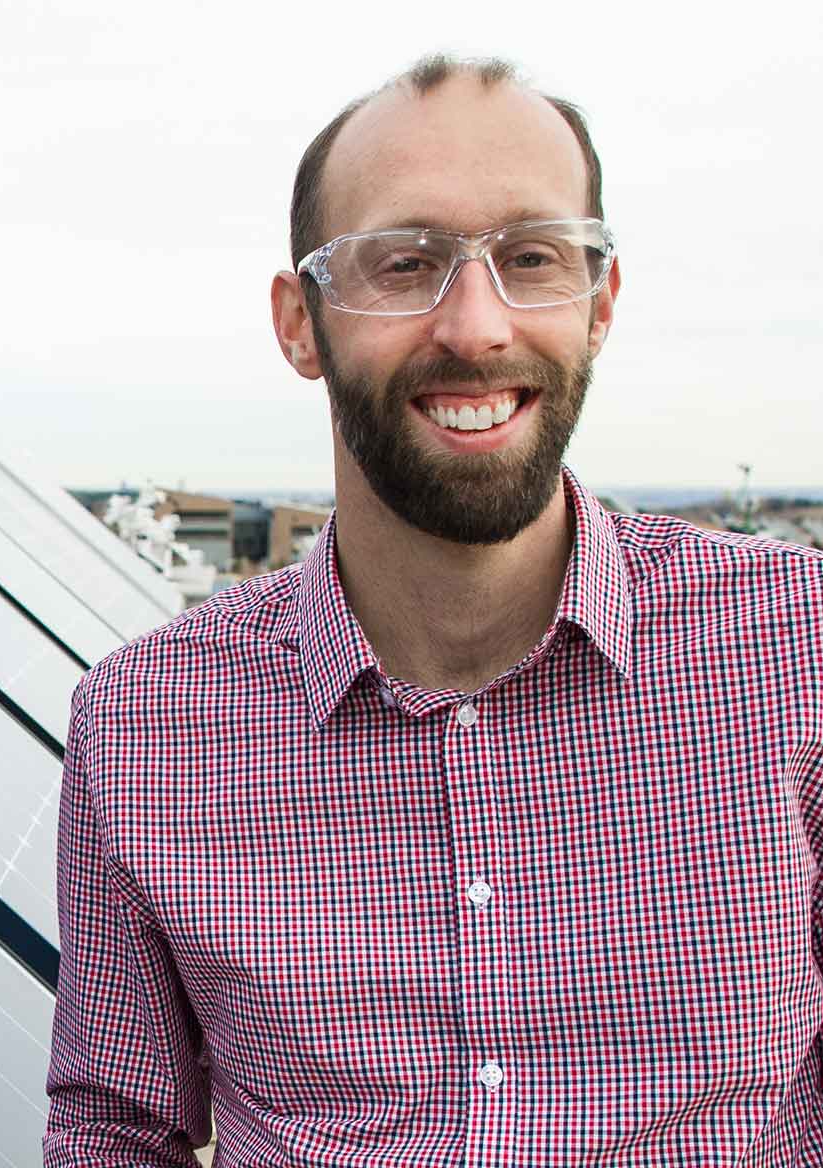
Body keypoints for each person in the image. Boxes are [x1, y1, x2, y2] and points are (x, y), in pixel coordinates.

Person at [43, 53, 823, 1166]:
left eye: (532, 258)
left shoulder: (802, 649)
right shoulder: (142, 727)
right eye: (404, 264)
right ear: (299, 324)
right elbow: (115, 1132)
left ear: (600, 305)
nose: (475, 327)